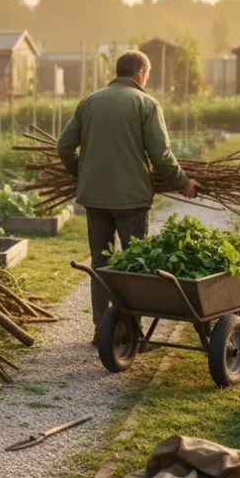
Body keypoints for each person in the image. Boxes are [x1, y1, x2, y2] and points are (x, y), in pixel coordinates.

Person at [56, 50, 197, 331]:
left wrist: (81, 173)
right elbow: (161, 155)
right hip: (131, 200)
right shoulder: (145, 103)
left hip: (94, 199)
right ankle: (130, 332)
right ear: (140, 73)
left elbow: (64, 146)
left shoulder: (90, 102)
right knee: (135, 264)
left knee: (100, 263)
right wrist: (183, 183)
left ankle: (102, 329)